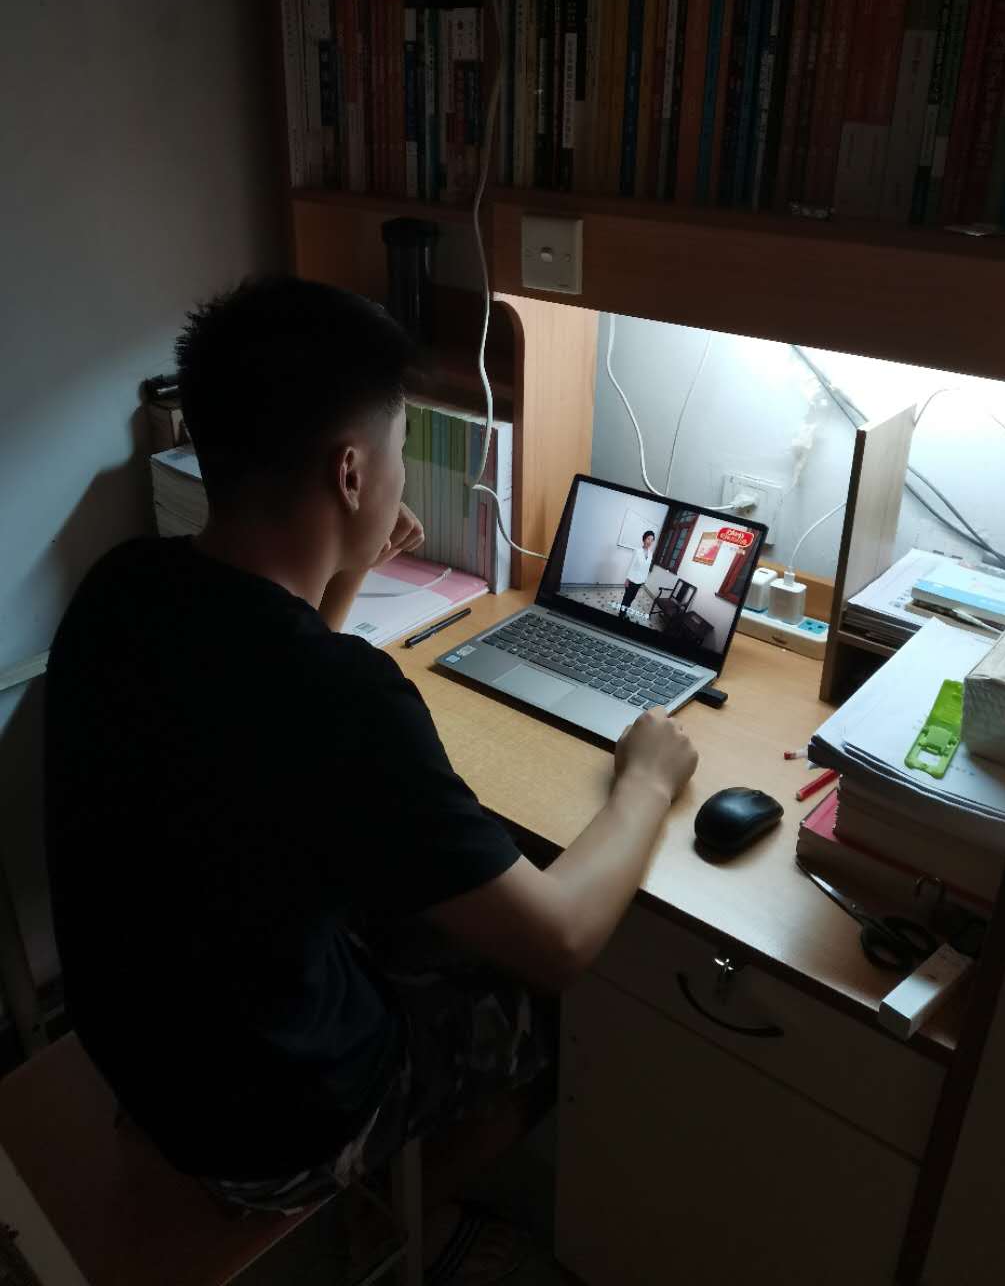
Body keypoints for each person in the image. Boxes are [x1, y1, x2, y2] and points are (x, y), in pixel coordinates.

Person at [44, 277, 697, 1282]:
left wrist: (344, 570)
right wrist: (647, 781)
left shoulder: (121, 588)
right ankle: (399, 1227)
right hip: (267, 1126)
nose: (398, 474)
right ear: (351, 472)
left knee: (430, 907)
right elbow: (561, 940)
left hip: (147, 1053)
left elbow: (275, 721)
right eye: (398, 449)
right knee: (557, 1015)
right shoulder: (342, 698)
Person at [619, 529, 656, 618]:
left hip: (640, 581)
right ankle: (621, 615)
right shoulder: (637, 551)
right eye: (648, 539)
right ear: (644, 539)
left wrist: (644, 580)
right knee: (626, 598)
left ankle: (624, 612)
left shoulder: (650, 554)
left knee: (632, 598)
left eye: (652, 540)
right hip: (632, 580)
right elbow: (631, 565)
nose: (650, 542)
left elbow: (647, 568)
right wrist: (627, 579)